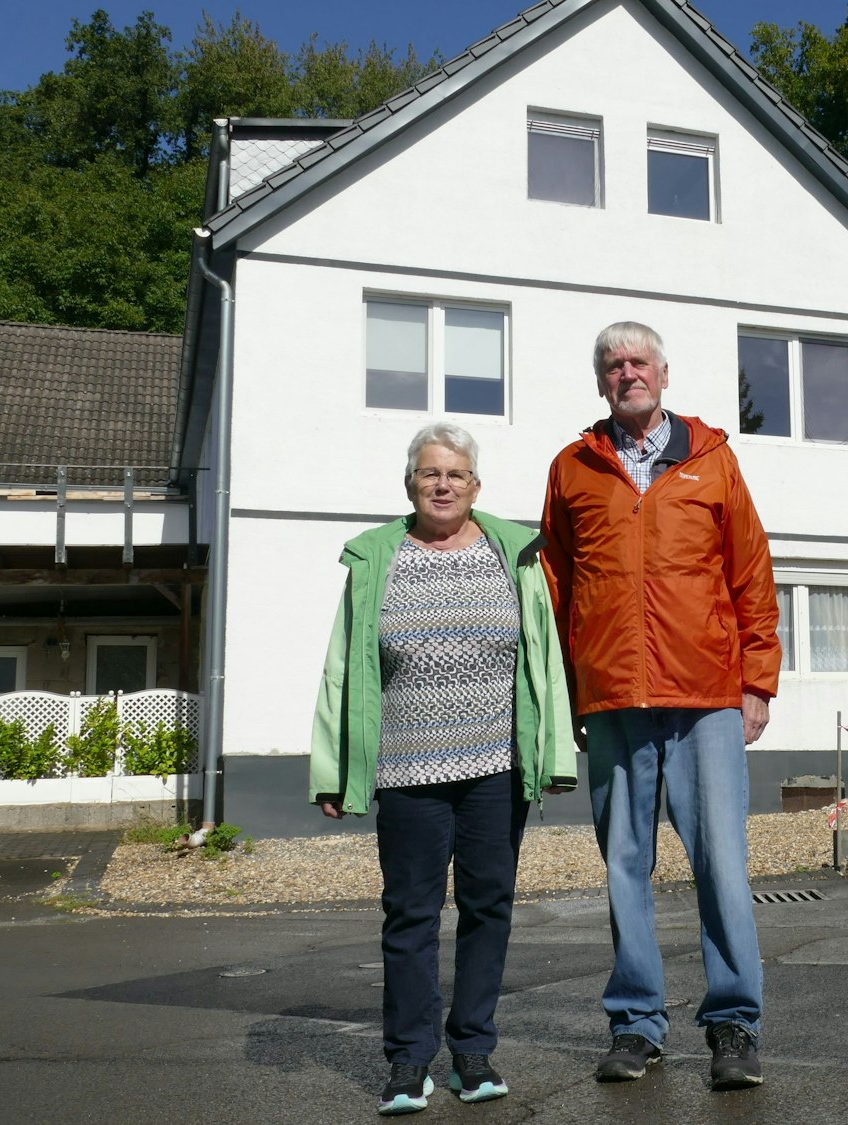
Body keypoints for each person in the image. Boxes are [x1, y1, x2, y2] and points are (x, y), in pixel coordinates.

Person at [310, 422, 578, 1116]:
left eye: (455, 474)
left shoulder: (512, 550)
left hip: (495, 766)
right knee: (410, 914)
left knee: (488, 907)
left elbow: (543, 656)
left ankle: (473, 1049)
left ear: (475, 486)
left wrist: (551, 752)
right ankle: (407, 1061)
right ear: (410, 484)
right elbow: (344, 667)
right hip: (406, 772)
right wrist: (333, 767)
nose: (442, 484)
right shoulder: (377, 557)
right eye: (430, 473)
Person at [539, 321, 781, 1091]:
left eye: (638, 360)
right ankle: (636, 1026)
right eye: (612, 364)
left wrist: (756, 681)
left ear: (664, 374)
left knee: (721, 863)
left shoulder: (712, 462)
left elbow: (753, 574)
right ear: (601, 382)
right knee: (625, 866)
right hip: (613, 695)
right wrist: (570, 689)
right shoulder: (573, 468)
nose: (626, 372)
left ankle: (733, 1023)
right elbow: (556, 584)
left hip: (706, 691)